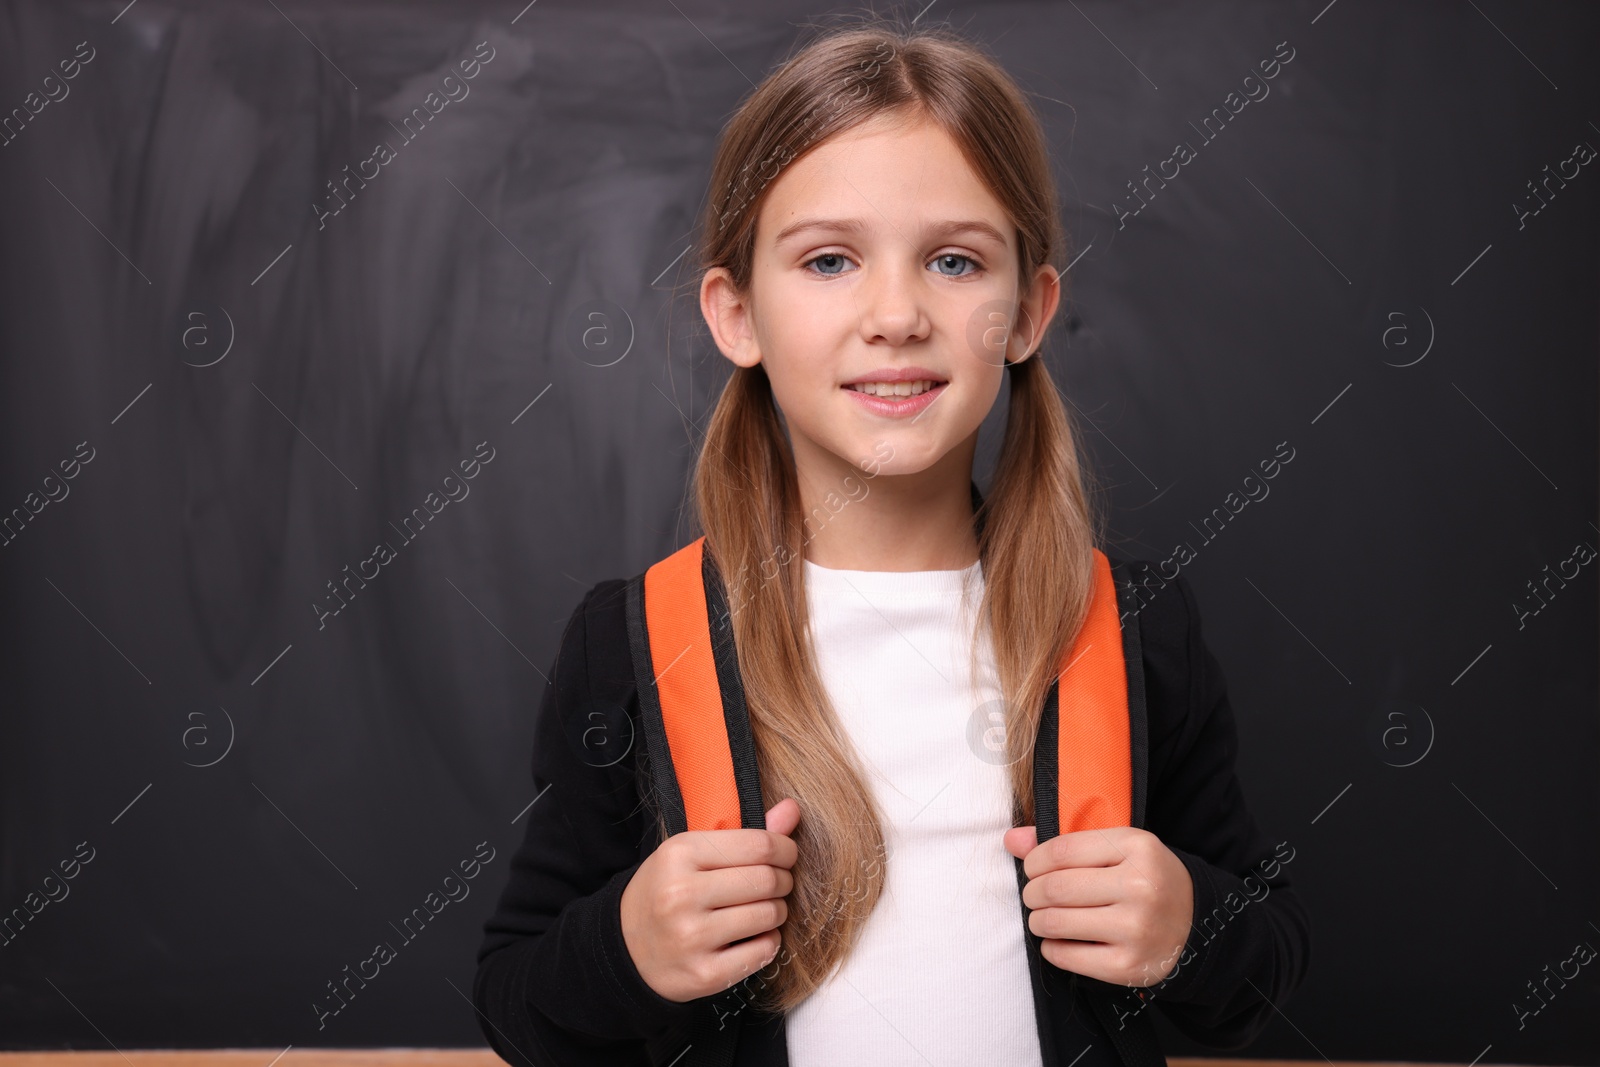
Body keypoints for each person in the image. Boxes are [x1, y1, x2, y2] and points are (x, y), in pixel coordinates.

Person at [473, 17, 1310, 1067]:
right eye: (828, 260)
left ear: (1026, 311)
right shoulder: (638, 641)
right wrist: (628, 943)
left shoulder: (1131, 626)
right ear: (737, 315)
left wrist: (1190, 929)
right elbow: (515, 1001)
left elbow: (1260, 971)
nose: (896, 313)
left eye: (955, 260)